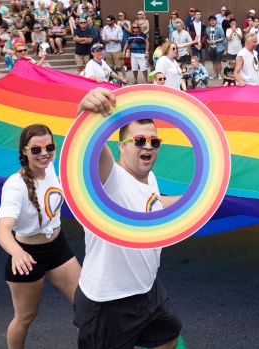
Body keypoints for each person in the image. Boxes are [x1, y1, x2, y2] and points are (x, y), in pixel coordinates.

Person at [73, 90, 183, 349]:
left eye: (154, 142)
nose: (148, 146)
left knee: (169, 338)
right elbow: (91, 149)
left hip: (147, 287)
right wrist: (87, 114)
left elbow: (153, 204)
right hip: (109, 301)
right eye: (139, 140)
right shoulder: (111, 178)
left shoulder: (149, 178)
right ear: (121, 146)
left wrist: (199, 201)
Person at [0, 124, 81, 347]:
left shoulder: (50, 166)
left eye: (49, 147)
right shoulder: (15, 186)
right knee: (25, 317)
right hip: (28, 256)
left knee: (86, 306)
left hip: (59, 248)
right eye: (36, 149)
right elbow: (2, 230)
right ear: (24, 151)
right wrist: (16, 252)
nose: (44, 153)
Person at [102, 15, 126, 81]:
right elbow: (103, 39)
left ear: (113, 21)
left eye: (109, 20)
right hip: (108, 49)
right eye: (107, 20)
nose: (107, 22)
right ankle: (112, 78)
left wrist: (111, 39)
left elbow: (119, 39)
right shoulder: (105, 28)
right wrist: (107, 40)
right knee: (110, 66)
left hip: (116, 49)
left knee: (120, 65)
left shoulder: (118, 28)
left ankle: (124, 78)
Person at [206, 15, 225, 79]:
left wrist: (216, 41)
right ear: (209, 22)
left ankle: (219, 74)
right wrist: (208, 41)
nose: (213, 22)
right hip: (211, 47)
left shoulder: (219, 28)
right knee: (213, 61)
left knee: (218, 61)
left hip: (218, 47)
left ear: (216, 21)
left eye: (214, 20)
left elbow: (223, 37)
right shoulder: (208, 29)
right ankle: (215, 74)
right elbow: (206, 38)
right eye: (211, 21)